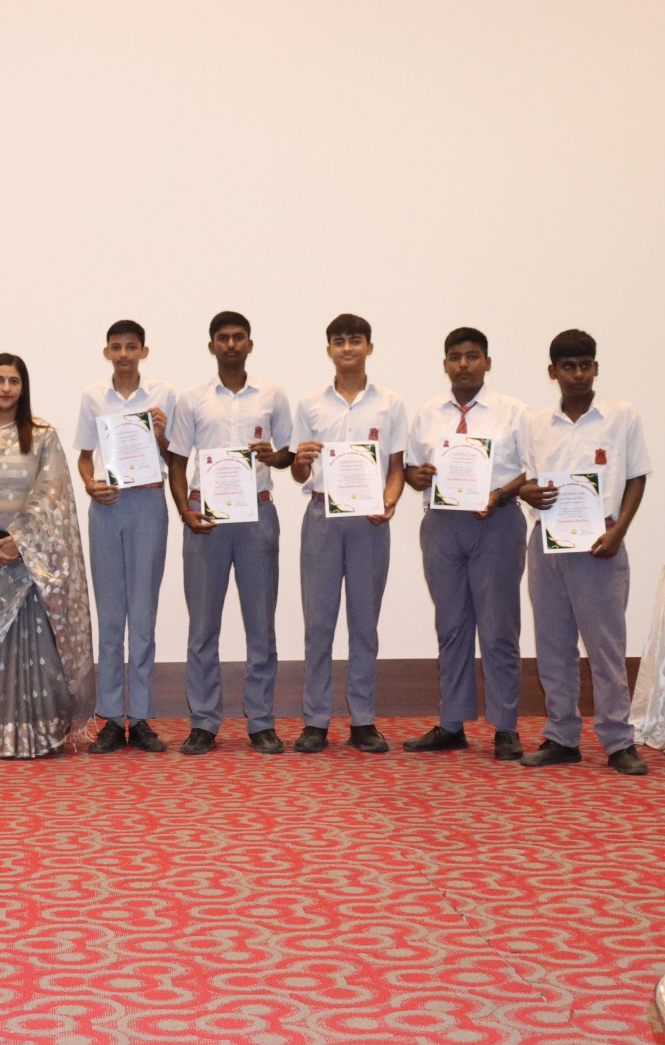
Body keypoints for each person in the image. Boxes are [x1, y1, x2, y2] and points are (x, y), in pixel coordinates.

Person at [0, 353, 95, 758]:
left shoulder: (43, 435)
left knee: (40, 642)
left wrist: (19, 539)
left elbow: (51, 492)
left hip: (32, 559)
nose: (6, 388)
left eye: (14, 381)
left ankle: (43, 734)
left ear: (23, 387)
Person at [517, 329, 651, 775]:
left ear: (596, 368)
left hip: (601, 544)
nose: (578, 374)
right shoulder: (535, 423)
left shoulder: (621, 416)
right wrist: (527, 493)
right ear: (552, 372)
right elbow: (529, 480)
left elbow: (636, 477)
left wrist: (619, 532)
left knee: (606, 648)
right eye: (568, 367)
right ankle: (561, 736)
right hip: (548, 543)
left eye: (585, 365)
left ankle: (619, 741)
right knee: (553, 645)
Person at [165, 311, 294, 756]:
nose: (231, 344)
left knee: (261, 626)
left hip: (257, 514)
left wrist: (273, 456)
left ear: (250, 344)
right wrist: (185, 511)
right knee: (203, 627)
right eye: (223, 338)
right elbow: (177, 461)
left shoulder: (273, 395)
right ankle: (203, 721)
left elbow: (287, 455)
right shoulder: (192, 399)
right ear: (212, 346)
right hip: (207, 518)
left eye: (239, 337)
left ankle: (261, 722)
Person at [401, 329, 529, 760]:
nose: (463, 365)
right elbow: (412, 469)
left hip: (496, 521)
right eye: (455, 357)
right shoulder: (427, 414)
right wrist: (416, 476)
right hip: (442, 524)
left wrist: (500, 493)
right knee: (451, 625)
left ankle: (505, 726)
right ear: (445, 364)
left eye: (472, 356)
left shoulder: (514, 412)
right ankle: (452, 723)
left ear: (487, 362)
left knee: (499, 626)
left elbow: (532, 470)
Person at [290, 313, 407, 754]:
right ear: (329, 350)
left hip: (369, 521)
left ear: (369, 347)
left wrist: (389, 501)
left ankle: (363, 720)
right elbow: (300, 471)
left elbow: (396, 469)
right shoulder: (310, 403)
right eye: (338, 341)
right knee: (318, 624)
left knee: (364, 624)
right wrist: (300, 460)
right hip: (322, 516)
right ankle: (315, 721)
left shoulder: (390, 403)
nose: (347, 348)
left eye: (355, 340)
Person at [75, 320, 176, 753]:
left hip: (149, 502)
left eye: (131, 347)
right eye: (116, 347)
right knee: (112, 615)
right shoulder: (93, 396)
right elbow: (84, 457)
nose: (123, 355)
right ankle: (113, 718)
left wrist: (162, 434)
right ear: (106, 352)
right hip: (108, 504)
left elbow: (175, 454)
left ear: (144, 351)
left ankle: (143, 717)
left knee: (144, 614)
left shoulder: (163, 394)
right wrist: (89, 484)